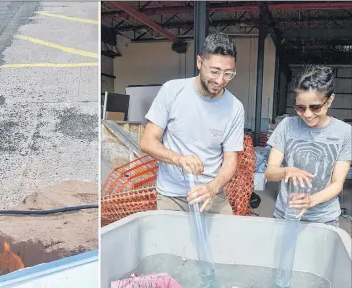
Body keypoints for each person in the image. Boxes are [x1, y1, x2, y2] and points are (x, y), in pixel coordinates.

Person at [140, 33, 245, 214]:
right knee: (172, 243)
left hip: (212, 194)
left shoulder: (235, 108)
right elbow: (147, 141)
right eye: (214, 71)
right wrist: (179, 159)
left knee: (227, 241)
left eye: (228, 74)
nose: (220, 80)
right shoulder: (172, 91)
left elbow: (230, 161)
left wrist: (213, 187)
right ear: (199, 62)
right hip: (173, 195)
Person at [265, 65, 351, 226]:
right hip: (286, 215)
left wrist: (311, 200)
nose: (308, 114)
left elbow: (337, 183)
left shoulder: (344, 132)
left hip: (324, 219)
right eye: (300, 108)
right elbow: (270, 173)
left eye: (315, 107)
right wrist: (286, 171)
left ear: (329, 100)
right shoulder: (287, 126)